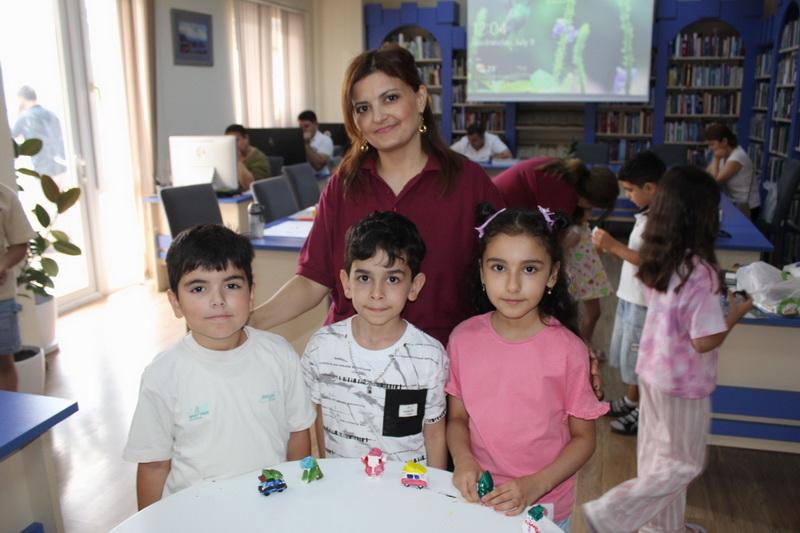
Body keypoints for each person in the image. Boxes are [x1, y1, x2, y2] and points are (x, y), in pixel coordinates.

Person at [250, 44, 504, 346]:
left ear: (420, 98)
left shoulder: (467, 182)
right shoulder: (343, 185)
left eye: (391, 98)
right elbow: (312, 280)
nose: (378, 116)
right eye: (363, 108)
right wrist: (247, 322)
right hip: (350, 359)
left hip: (440, 359)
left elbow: (506, 271)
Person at [582, 167, 753, 533]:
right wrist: (735, 313)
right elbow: (704, 339)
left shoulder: (661, 257)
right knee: (682, 464)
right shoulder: (700, 271)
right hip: (683, 383)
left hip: (653, 371)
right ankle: (611, 513)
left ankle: (663, 528)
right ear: (703, 215)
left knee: (657, 459)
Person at [123, 224, 315, 509]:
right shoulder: (163, 374)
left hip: (271, 507)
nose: (218, 300)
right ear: (175, 302)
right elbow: (153, 465)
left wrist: (299, 500)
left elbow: (298, 432)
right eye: (199, 288)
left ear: (251, 294)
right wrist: (150, 524)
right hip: (195, 515)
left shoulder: (279, 355)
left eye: (232, 286)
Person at [446, 205, 608, 532]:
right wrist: (463, 461)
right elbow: (458, 419)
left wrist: (536, 484)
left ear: (552, 275)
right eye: (499, 267)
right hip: (478, 497)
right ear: (482, 272)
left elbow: (583, 440)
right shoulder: (462, 339)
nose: (512, 285)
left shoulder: (569, 351)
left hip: (544, 504)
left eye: (530, 269)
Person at [302, 211, 447, 468]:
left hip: (407, 487)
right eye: (364, 278)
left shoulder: (430, 356)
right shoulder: (321, 347)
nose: (377, 293)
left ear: (414, 286)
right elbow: (316, 419)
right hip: (341, 485)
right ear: (346, 283)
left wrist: (438, 489)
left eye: (392, 279)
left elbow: (434, 435)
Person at [591, 151, 666, 436]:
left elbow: (652, 262)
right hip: (631, 295)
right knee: (630, 357)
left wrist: (613, 246)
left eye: (631, 190)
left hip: (644, 301)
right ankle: (632, 400)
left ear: (650, 187)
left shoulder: (663, 219)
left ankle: (642, 411)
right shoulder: (647, 212)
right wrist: (611, 248)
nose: (628, 195)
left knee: (640, 360)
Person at [561, 165, 618, 349]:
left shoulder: (580, 213)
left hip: (588, 268)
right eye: (593, 205)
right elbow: (560, 249)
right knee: (569, 316)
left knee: (593, 312)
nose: (592, 210)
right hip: (573, 270)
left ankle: (583, 347)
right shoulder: (566, 211)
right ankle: (576, 350)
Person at [0, 184, 35, 392]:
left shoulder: (5, 197)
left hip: (1, 298)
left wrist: (2, 266)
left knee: (3, 363)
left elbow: (20, 244)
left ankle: (7, 412)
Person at [705, 123, 760, 221]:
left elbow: (714, 182)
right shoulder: (723, 153)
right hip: (733, 203)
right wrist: (716, 158)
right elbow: (706, 176)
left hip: (747, 208)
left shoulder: (738, 156)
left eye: (712, 144)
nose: (710, 148)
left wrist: (716, 158)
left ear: (724, 141)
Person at [12, 86, 67, 178]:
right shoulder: (51, 114)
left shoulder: (24, 118)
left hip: (43, 166)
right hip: (61, 165)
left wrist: (17, 113)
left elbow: (10, 138)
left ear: (22, 100)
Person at [224, 124, 270, 190]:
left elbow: (251, 186)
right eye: (229, 142)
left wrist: (238, 161)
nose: (233, 144)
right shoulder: (227, 157)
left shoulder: (259, 158)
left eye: (236, 140)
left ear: (246, 138)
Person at [297, 110, 334, 178]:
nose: (303, 130)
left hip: (320, 179)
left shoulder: (325, 140)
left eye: (306, 126)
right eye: (300, 127)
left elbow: (318, 166)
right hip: (301, 177)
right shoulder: (297, 139)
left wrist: (306, 144)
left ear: (316, 125)